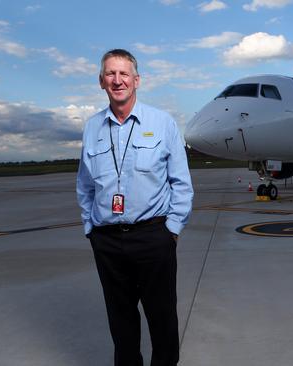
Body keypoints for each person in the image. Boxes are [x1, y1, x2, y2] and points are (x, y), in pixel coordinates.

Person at [76, 48, 193, 366]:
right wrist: (91, 228)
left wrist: (172, 230)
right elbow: (85, 184)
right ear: (101, 82)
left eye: (124, 73)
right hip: (107, 239)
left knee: (162, 319)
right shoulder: (92, 128)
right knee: (120, 321)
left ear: (137, 80)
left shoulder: (162, 123)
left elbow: (181, 183)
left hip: (153, 236)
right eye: (110, 74)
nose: (117, 80)